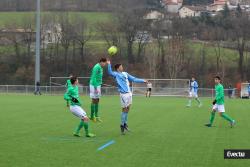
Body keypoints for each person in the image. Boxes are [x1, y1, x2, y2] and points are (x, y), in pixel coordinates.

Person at [107, 60, 148, 135]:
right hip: (123, 94)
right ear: (117, 68)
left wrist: (143, 80)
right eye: (121, 66)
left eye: (122, 66)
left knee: (128, 109)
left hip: (129, 94)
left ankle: (125, 124)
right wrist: (109, 64)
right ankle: (122, 125)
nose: (122, 67)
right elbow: (109, 72)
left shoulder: (125, 74)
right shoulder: (116, 74)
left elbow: (134, 79)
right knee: (124, 109)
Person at [89, 58, 108, 122]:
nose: (105, 64)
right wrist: (95, 87)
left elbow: (99, 76)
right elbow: (93, 77)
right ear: (101, 62)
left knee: (97, 100)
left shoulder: (100, 67)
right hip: (94, 85)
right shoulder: (96, 67)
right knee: (94, 100)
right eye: (104, 63)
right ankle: (92, 116)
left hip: (98, 85)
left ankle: (96, 116)